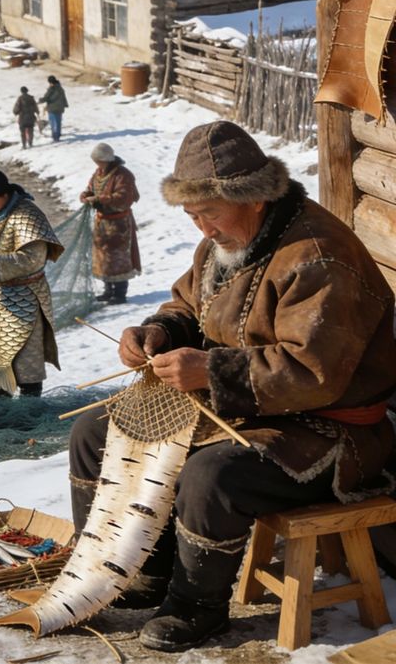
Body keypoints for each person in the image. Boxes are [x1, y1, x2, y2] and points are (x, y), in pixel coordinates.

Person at [69, 121, 396, 653]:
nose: (203, 229)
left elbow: (315, 374)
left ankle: (197, 606)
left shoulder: (318, 256)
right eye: (192, 216)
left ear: (257, 199)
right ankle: (138, 569)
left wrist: (211, 372)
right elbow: (189, 306)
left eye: (210, 214)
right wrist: (157, 331)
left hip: (330, 431)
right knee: (94, 431)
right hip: (249, 410)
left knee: (211, 473)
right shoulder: (226, 241)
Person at [0, 168, 64, 397]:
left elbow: (34, 259)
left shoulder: (27, 214)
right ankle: (0, 399)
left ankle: (30, 403)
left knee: (27, 356)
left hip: (27, 295)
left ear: (3, 194)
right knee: (0, 354)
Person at [80, 142, 141, 304]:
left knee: (118, 258)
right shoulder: (98, 173)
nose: (97, 164)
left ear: (106, 159)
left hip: (119, 224)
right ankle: (108, 290)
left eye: (99, 160)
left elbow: (124, 197)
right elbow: (91, 188)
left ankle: (120, 293)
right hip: (102, 224)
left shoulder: (123, 175)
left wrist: (100, 199)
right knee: (103, 257)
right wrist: (86, 194)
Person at [39, 75, 68, 142]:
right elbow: (64, 97)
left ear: (50, 82)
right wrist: (65, 104)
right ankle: (58, 135)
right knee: (58, 122)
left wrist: (40, 100)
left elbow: (46, 97)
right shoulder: (60, 88)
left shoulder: (51, 89)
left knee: (53, 123)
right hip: (60, 107)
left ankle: (55, 137)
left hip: (52, 108)